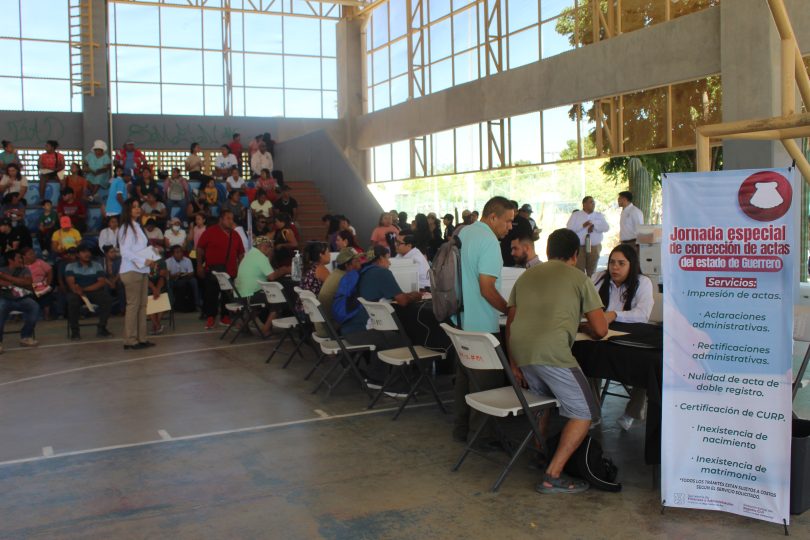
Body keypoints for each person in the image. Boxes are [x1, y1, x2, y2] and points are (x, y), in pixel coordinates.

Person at [506, 228, 607, 494]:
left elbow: (511, 321)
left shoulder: (526, 276)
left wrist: (513, 363)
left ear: (548, 251)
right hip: (552, 353)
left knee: (543, 401)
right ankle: (553, 475)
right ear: (575, 254)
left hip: (522, 352)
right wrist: (588, 325)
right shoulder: (579, 278)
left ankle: (539, 453)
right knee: (585, 413)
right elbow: (600, 330)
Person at [453, 196, 514, 444]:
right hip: (481, 326)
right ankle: (482, 438)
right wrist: (510, 310)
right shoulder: (489, 241)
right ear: (492, 217)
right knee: (487, 385)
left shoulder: (464, 232)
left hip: (459, 320)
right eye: (507, 221)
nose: (510, 227)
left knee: (464, 380)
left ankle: (461, 430)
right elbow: (487, 289)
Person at [591, 244, 654, 431]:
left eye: (621, 263)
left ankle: (632, 412)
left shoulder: (643, 282)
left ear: (631, 265)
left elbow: (642, 314)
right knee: (586, 357)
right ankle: (593, 412)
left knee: (648, 364)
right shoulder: (598, 278)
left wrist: (614, 315)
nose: (615, 267)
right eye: (612, 262)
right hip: (603, 335)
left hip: (631, 336)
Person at [340, 246, 423, 385]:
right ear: (380, 258)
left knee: (386, 335)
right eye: (387, 258)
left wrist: (406, 295)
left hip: (349, 328)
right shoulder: (382, 273)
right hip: (361, 331)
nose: (389, 263)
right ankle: (397, 385)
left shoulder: (363, 272)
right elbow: (402, 301)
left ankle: (376, 376)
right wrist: (415, 296)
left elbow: (393, 295)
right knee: (403, 340)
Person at [196, 210, 245, 330]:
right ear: (221, 219)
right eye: (228, 218)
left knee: (227, 296)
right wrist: (199, 265)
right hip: (213, 270)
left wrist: (240, 268)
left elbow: (241, 253)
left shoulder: (235, 234)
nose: (231, 221)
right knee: (211, 295)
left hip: (230, 271)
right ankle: (211, 318)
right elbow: (200, 249)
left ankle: (225, 317)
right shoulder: (210, 232)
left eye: (232, 219)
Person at [118, 198, 156, 350]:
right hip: (131, 270)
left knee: (142, 305)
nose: (137, 209)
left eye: (138, 206)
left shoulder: (137, 226)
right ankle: (130, 340)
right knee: (133, 305)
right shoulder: (126, 228)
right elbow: (125, 252)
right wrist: (144, 260)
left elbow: (139, 249)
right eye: (133, 207)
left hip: (141, 270)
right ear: (127, 210)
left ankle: (141, 338)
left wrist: (151, 256)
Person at [234, 235, 289, 336]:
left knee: (262, 302)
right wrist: (285, 270)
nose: (270, 249)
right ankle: (265, 329)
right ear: (262, 246)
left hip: (239, 295)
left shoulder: (250, 254)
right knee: (278, 299)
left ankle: (243, 325)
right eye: (269, 246)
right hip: (248, 296)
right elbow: (272, 276)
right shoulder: (260, 257)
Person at [65, 244, 113, 340]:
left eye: (88, 252)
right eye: (84, 252)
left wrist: (84, 289)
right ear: (78, 254)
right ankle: (75, 331)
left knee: (107, 299)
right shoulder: (70, 266)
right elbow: (71, 284)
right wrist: (78, 290)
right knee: (72, 301)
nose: (87, 254)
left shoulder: (97, 265)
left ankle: (102, 328)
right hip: (77, 293)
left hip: (93, 291)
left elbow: (101, 282)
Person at [0, 249, 40, 351]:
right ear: (10, 260)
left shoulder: (25, 270)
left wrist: (6, 278)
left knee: (34, 306)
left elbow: (27, 282)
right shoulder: (2, 269)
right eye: (18, 258)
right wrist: (18, 281)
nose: (21, 260)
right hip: (4, 298)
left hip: (21, 298)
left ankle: (26, 337)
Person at [316, 248, 361, 337]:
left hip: (323, 325)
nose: (360, 263)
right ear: (347, 265)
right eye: (356, 261)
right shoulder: (346, 279)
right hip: (330, 328)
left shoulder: (336, 273)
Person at [566, 196, 609, 277]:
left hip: (594, 247)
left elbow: (606, 228)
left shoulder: (599, 215)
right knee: (579, 271)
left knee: (592, 272)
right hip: (580, 247)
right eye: (591, 202)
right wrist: (583, 225)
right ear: (584, 204)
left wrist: (594, 226)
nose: (593, 204)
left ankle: (591, 284)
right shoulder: (576, 215)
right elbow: (569, 229)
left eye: (594, 202)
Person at [23, 246, 54, 320]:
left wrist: (48, 283)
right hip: (28, 287)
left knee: (46, 293)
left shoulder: (40, 262)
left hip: (41, 285)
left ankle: (46, 315)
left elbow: (50, 271)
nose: (33, 255)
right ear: (24, 256)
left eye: (33, 253)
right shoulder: (22, 266)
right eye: (30, 254)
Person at [166, 244, 200, 311]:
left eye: (181, 251)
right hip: (173, 279)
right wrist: (175, 275)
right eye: (177, 252)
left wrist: (185, 274)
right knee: (168, 284)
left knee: (194, 281)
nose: (180, 254)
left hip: (185, 278)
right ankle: (171, 305)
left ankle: (197, 303)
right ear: (172, 254)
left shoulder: (187, 260)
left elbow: (191, 273)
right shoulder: (168, 262)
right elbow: (167, 276)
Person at [147, 251, 168, 335]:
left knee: (162, 297)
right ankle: (157, 325)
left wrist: (158, 290)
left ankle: (156, 324)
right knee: (148, 299)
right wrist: (153, 289)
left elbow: (162, 277)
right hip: (147, 285)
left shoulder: (161, 261)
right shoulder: (143, 261)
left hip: (161, 284)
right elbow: (145, 279)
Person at [103, 245, 125, 315]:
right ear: (106, 254)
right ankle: (107, 310)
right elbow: (101, 275)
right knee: (105, 287)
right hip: (105, 280)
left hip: (116, 279)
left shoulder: (119, 260)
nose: (114, 254)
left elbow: (120, 272)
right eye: (111, 252)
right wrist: (110, 283)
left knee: (120, 285)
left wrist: (114, 282)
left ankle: (122, 309)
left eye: (114, 252)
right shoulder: (101, 261)